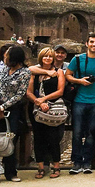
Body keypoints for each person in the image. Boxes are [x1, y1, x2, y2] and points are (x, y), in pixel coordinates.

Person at [0, 45, 31, 185]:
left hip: (13, 110)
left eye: (7, 56)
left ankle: (11, 172)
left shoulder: (25, 73)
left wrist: (3, 107)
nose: (4, 58)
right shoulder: (4, 70)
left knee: (10, 140)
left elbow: (20, 94)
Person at [65, 32, 95, 175]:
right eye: (92, 42)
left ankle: (87, 161)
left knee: (90, 133)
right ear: (86, 44)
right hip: (79, 101)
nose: (94, 44)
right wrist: (80, 81)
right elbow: (67, 75)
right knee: (77, 133)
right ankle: (77, 162)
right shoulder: (77, 59)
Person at [26, 47, 65, 179]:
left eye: (50, 56)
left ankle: (56, 166)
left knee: (53, 138)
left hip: (53, 108)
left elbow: (60, 91)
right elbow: (29, 91)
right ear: (41, 58)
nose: (47, 59)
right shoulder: (34, 73)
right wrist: (38, 102)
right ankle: (41, 167)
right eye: (45, 56)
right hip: (37, 109)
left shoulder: (59, 72)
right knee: (38, 138)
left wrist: (44, 99)